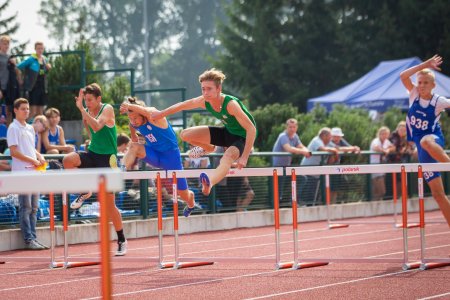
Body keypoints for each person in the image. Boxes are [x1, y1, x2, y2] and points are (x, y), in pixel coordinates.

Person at [151, 68, 257, 196]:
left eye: (209, 89)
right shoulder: (204, 101)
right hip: (226, 132)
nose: (205, 93)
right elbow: (182, 105)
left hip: (242, 138)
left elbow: (251, 128)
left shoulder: (230, 104)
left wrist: (244, 157)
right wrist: (160, 114)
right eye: (203, 89)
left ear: (219, 89)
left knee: (227, 158)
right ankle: (208, 148)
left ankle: (209, 183)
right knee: (185, 134)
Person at [62, 83, 127, 255]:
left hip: (108, 159)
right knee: (68, 160)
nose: (88, 103)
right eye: (86, 100)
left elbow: (98, 126)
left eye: (90, 100)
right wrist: (92, 141)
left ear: (99, 99)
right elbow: (91, 132)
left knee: (109, 206)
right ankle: (86, 190)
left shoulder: (107, 109)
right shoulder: (87, 113)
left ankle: (121, 239)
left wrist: (82, 109)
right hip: (93, 154)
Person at [119, 97, 196, 217]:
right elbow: (134, 141)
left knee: (183, 194)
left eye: (135, 118)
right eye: (130, 118)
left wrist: (129, 106)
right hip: (154, 155)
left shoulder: (155, 117)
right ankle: (122, 170)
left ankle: (191, 203)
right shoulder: (133, 125)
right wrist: (136, 148)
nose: (133, 121)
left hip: (171, 158)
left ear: (142, 114)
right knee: (134, 146)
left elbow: (150, 111)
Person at [400, 54, 450, 226]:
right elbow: (403, 76)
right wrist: (426, 64)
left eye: (425, 83)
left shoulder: (438, 101)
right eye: (419, 82)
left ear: (433, 85)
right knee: (438, 195)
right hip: (423, 151)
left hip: (434, 141)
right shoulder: (413, 93)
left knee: (425, 142)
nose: (421, 86)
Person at [6, 98, 47, 249]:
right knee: (26, 207)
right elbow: (14, 152)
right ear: (15, 110)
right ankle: (28, 240)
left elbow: (30, 147)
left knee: (34, 207)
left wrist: (39, 156)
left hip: (34, 172)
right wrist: (33, 159)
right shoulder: (13, 128)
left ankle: (33, 238)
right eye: (23, 109)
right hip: (22, 173)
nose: (26, 111)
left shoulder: (30, 128)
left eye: (28, 109)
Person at [272, 118, 311, 203]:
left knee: (302, 178)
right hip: (278, 169)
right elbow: (289, 149)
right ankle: (275, 208)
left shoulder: (295, 136)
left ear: (297, 127)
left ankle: (293, 201)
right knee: (278, 192)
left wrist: (307, 151)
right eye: (290, 127)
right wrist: (304, 152)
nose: (292, 129)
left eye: (294, 127)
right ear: (286, 127)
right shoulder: (283, 136)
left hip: (287, 168)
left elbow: (301, 146)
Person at [300, 127, 339, 205]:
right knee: (306, 196)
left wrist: (353, 148)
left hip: (315, 173)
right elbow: (322, 149)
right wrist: (333, 151)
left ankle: (310, 208)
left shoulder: (327, 143)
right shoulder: (316, 141)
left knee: (313, 195)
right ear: (324, 136)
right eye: (329, 136)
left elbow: (337, 148)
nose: (331, 138)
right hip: (308, 172)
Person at [17, 41, 51, 121]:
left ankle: (40, 132)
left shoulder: (45, 59)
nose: (40, 50)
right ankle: (22, 126)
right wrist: (20, 79)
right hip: (33, 88)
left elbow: (44, 72)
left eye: (41, 48)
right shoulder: (31, 59)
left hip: (42, 88)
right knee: (33, 111)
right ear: (35, 49)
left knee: (40, 112)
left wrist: (48, 68)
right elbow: (18, 67)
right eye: (38, 48)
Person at [327, 127, 360, 203]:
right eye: (335, 136)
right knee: (327, 188)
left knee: (335, 187)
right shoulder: (328, 142)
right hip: (327, 168)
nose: (337, 138)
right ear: (331, 136)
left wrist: (355, 148)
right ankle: (327, 204)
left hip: (336, 168)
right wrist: (353, 149)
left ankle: (334, 203)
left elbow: (349, 147)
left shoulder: (341, 140)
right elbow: (338, 149)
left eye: (339, 136)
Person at [0, 35, 21, 125]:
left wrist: (15, 65)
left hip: (10, 87)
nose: (6, 46)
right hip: (1, 85)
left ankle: (8, 134)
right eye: (4, 44)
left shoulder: (11, 57)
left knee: (9, 110)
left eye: (8, 44)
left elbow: (16, 71)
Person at [370, 126, 394, 201]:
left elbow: (393, 147)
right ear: (379, 134)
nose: (384, 135)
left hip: (382, 169)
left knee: (378, 191)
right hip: (375, 168)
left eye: (386, 134)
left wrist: (389, 150)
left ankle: (376, 206)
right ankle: (375, 205)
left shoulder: (387, 141)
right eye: (383, 134)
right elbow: (375, 147)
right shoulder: (376, 140)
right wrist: (384, 151)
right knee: (380, 190)